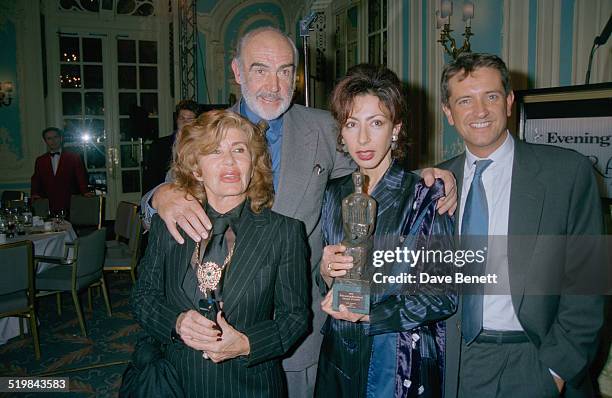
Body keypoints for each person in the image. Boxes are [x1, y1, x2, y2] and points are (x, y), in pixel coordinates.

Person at [141, 27, 458, 397]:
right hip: (208, 331)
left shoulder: (323, 127)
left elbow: (371, 161)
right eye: (260, 69)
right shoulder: (204, 131)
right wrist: (158, 196)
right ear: (237, 71)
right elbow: (172, 191)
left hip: (298, 329)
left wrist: (428, 176)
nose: (274, 85)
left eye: (286, 71)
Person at [438, 53, 605, 398]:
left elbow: (589, 284)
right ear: (448, 113)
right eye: (465, 100)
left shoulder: (566, 174)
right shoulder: (432, 185)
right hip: (453, 364)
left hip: (533, 360)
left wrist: (555, 372)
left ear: (510, 101)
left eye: (492, 97)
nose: (480, 111)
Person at [130, 109, 310, 397]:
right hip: (176, 382)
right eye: (214, 151)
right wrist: (176, 322)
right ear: (196, 168)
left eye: (239, 150)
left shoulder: (284, 232)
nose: (229, 161)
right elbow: (142, 298)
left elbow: (295, 317)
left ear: (253, 163)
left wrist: (247, 343)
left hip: (250, 385)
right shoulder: (170, 224)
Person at [315, 64, 457, 398]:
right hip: (338, 354)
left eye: (376, 123)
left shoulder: (423, 193)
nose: (362, 139)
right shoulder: (332, 193)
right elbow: (325, 278)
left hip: (395, 361)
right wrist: (326, 271)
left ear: (395, 129)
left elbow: (444, 295)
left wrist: (372, 315)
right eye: (352, 124)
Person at [31, 127, 91, 215]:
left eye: (55, 137)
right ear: (45, 141)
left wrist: (85, 192)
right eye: (49, 138)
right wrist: (34, 193)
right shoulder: (40, 160)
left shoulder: (74, 157)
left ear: (61, 138)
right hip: (48, 202)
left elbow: (81, 176)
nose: (53, 141)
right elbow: (36, 179)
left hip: (69, 200)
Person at [142, 99, 199, 193]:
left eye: (190, 119)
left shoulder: (201, 146)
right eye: (182, 118)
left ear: (196, 122)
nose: (185, 122)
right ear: (177, 120)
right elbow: (150, 180)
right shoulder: (159, 145)